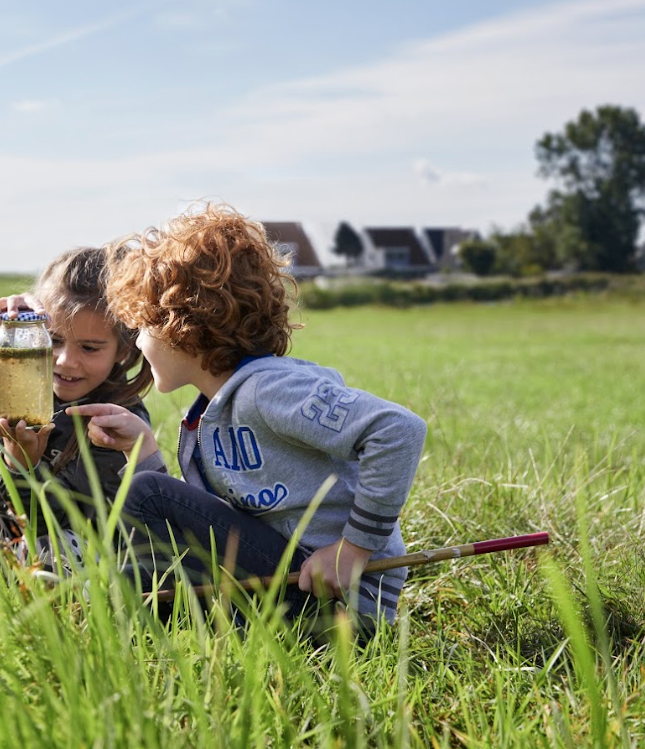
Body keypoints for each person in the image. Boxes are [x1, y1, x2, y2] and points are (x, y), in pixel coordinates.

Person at [67, 204, 427, 629]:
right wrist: (143, 447)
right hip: (283, 582)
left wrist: (352, 551)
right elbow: (204, 526)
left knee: (148, 494)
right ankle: (118, 609)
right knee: (169, 572)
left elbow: (399, 430)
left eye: (143, 327)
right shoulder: (211, 414)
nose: (139, 341)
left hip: (340, 600)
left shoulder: (267, 390)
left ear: (180, 327)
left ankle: (98, 611)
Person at [0, 246, 153, 568]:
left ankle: (46, 612)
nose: (65, 361)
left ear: (123, 350)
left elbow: (71, 520)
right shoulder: (18, 376)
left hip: (70, 555)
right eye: (54, 339)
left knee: (67, 543)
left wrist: (24, 469)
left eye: (89, 348)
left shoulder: (116, 419)